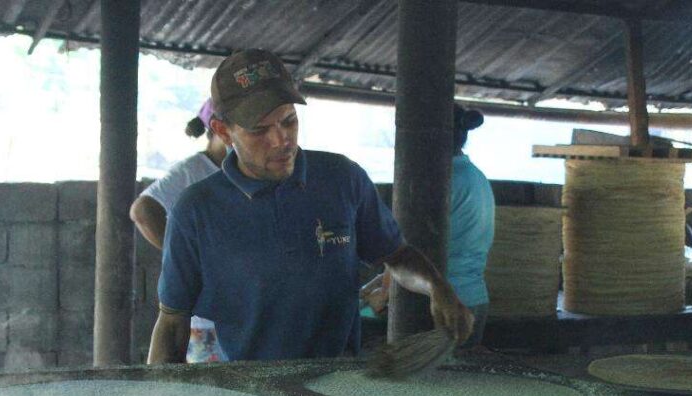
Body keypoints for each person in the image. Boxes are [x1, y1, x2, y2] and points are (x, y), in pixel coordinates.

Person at [148, 49, 472, 364]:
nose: (281, 140)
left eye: (288, 121)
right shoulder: (196, 210)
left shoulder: (342, 179)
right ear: (223, 132)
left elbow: (397, 256)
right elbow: (173, 322)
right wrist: (155, 395)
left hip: (338, 376)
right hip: (248, 380)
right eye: (259, 130)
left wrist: (436, 286)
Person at [361, 104, 495, 347]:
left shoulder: (437, 183)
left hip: (441, 305)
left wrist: (383, 294)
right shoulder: (476, 177)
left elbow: (405, 250)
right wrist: (376, 282)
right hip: (475, 298)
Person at [131, 100, 227, 363]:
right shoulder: (193, 170)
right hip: (206, 322)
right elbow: (143, 210)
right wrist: (184, 261)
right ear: (219, 130)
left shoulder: (246, 173)